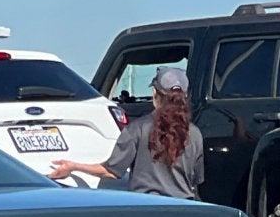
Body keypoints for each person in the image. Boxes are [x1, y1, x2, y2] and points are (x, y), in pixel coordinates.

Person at [47, 67, 204, 198]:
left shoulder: (138, 128)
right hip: (184, 208)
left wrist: (73, 166)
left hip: (146, 208)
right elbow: (195, 181)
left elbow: (111, 171)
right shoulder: (195, 134)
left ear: (155, 94)